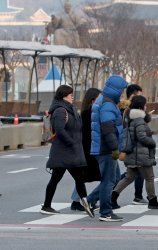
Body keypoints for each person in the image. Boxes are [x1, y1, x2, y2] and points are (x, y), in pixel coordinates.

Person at [40, 85, 94, 218]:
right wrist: (71, 141)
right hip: (63, 152)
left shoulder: (71, 109)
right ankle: (46, 206)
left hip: (72, 152)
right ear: (63, 95)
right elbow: (59, 129)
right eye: (70, 94)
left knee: (79, 178)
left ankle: (85, 204)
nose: (72, 96)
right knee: (56, 179)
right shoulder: (60, 110)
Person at [111, 95, 158, 209]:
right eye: (145, 104)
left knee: (128, 177)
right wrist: (152, 142)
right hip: (140, 154)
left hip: (132, 154)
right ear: (141, 106)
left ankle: (113, 197)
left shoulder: (130, 118)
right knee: (149, 176)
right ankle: (152, 200)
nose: (146, 106)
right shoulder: (139, 119)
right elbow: (142, 137)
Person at [91, 75, 129, 222]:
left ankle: (91, 200)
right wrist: (114, 149)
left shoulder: (104, 100)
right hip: (106, 149)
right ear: (116, 89)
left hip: (102, 147)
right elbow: (108, 129)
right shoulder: (107, 104)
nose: (122, 94)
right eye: (121, 90)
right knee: (108, 181)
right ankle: (106, 212)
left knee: (112, 179)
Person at [69, 88, 102, 212]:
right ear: (92, 100)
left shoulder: (88, 112)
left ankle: (78, 201)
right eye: (99, 97)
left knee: (83, 177)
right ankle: (88, 200)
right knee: (105, 177)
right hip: (89, 149)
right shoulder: (89, 113)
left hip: (88, 148)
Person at [117, 84, 147, 206]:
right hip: (129, 143)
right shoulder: (130, 111)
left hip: (126, 142)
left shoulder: (122, 109)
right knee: (135, 169)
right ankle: (137, 196)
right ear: (133, 96)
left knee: (136, 169)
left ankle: (138, 196)